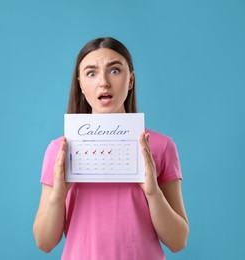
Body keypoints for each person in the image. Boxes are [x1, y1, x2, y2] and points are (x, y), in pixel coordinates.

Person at [33, 37, 189, 260]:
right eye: (91, 73)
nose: (103, 82)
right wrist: (59, 194)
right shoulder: (60, 150)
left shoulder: (161, 147)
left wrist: (153, 193)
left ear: (131, 80)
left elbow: (178, 241)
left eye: (115, 71)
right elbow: (44, 242)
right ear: (80, 83)